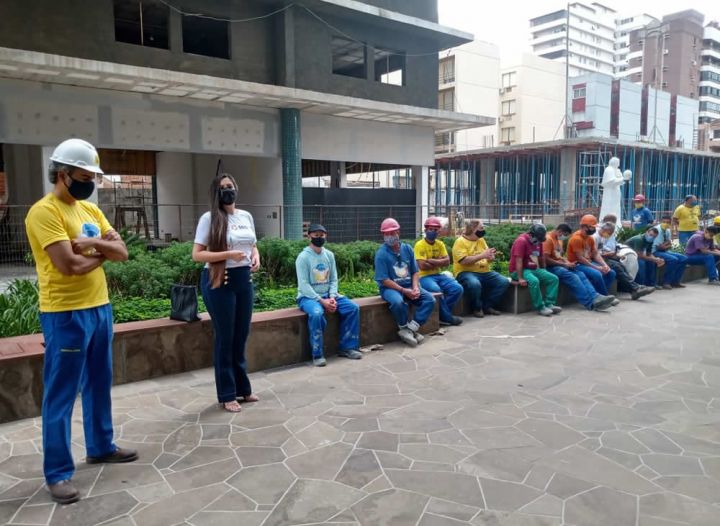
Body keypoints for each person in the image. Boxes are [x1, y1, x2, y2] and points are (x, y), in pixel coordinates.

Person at [25, 139, 138, 505]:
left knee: (99, 382)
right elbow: (68, 266)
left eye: (93, 176)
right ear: (63, 174)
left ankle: (101, 445)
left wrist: (91, 247)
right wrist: (103, 252)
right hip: (65, 314)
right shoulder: (44, 213)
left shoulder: (91, 210)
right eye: (84, 175)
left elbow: (123, 251)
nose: (90, 182)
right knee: (61, 394)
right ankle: (57, 473)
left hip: (99, 308)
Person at [192, 173, 261, 413]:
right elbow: (197, 254)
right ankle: (227, 393)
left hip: (244, 279)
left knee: (241, 335)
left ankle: (243, 388)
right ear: (216, 192)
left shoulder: (245, 216)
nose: (227, 190)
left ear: (236, 188)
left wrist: (256, 256)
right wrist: (227, 255)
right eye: (223, 188)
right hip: (219, 280)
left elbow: (252, 243)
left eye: (230, 186)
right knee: (226, 337)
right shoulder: (209, 218)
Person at [296, 224, 361, 367]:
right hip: (308, 298)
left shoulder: (329, 255)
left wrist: (331, 297)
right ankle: (317, 354)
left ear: (326, 236)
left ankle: (348, 347)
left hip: (329, 295)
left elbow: (334, 279)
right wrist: (321, 301)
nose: (319, 238)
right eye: (316, 235)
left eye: (322, 235)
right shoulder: (303, 257)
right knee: (317, 313)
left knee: (353, 308)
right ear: (309, 236)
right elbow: (304, 285)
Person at [374, 218, 435, 347]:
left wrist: (415, 287)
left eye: (392, 233)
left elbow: (415, 271)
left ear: (398, 232)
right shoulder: (381, 254)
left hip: (408, 284)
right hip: (389, 288)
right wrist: (403, 290)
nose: (390, 236)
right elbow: (384, 280)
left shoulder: (407, 248)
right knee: (398, 302)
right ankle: (403, 327)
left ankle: (411, 329)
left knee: (429, 299)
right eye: (386, 234)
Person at [543, 224, 616, 311]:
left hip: (560, 265)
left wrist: (567, 262)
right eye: (565, 235)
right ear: (560, 232)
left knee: (580, 274)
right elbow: (545, 260)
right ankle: (590, 303)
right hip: (551, 267)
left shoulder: (559, 240)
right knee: (573, 277)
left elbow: (558, 256)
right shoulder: (548, 239)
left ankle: (596, 297)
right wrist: (563, 264)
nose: (565, 237)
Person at [452, 219, 510, 317]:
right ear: (473, 229)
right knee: (474, 284)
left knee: (504, 281)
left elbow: (487, 256)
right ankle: (477, 308)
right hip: (465, 272)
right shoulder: (460, 242)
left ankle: (487, 306)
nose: (483, 230)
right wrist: (482, 255)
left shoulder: (481, 240)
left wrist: (490, 257)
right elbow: (464, 261)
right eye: (481, 228)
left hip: (485, 271)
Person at [414, 217, 463, 327]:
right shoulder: (420, 245)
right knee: (436, 290)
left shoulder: (440, 244)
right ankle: (447, 317)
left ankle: (442, 315)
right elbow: (421, 265)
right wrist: (439, 261)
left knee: (457, 289)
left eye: (436, 230)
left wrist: (430, 261)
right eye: (430, 229)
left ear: (439, 231)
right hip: (424, 277)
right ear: (425, 230)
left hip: (438, 275)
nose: (433, 232)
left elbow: (447, 262)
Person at [509, 224, 561, 316]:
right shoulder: (521, 241)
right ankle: (540, 307)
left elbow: (541, 258)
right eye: (538, 238)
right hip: (518, 271)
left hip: (533, 268)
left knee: (553, 278)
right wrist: (520, 278)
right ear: (531, 234)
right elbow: (519, 260)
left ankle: (549, 304)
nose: (539, 241)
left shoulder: (539, 241)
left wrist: (544, 270)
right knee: (534, 281)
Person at [594, 222, 654, 300]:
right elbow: (594, 254)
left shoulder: (602, 236)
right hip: (595, 260)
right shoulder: (595, 237)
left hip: (602, 257)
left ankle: (634, 289)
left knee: (620, 265)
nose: (609, 236)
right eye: (609, 233)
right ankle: (635, 288)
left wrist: (613, 254)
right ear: (605, 230)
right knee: (616, 267)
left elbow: (600, 251)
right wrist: (607, 255)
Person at [567, 215, 617, 300]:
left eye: (594, 227)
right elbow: (580, 258)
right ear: (584, 226)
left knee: (611, 272)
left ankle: (598, 294)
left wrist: (605, 265)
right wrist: (597, 267)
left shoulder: (590, 238)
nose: (594, 229)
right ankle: (604, 296)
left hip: (588, 263)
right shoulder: (576, 238)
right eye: (592, 227)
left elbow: (595, 254)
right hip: (577, 264)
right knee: (597, 274)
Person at [652, 214, 688, 289]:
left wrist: (665, 245)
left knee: (684, 258)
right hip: (655, 252)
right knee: (673, 259)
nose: (665, 224)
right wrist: (666, 245)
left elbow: (669, 243)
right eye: (664, 222)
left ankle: (675, 281)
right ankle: (666, 282)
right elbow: (658, 247)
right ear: (660, 221)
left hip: (665, 251)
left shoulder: (667, 230)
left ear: (670, 223)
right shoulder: (657, 230)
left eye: (668, 222)